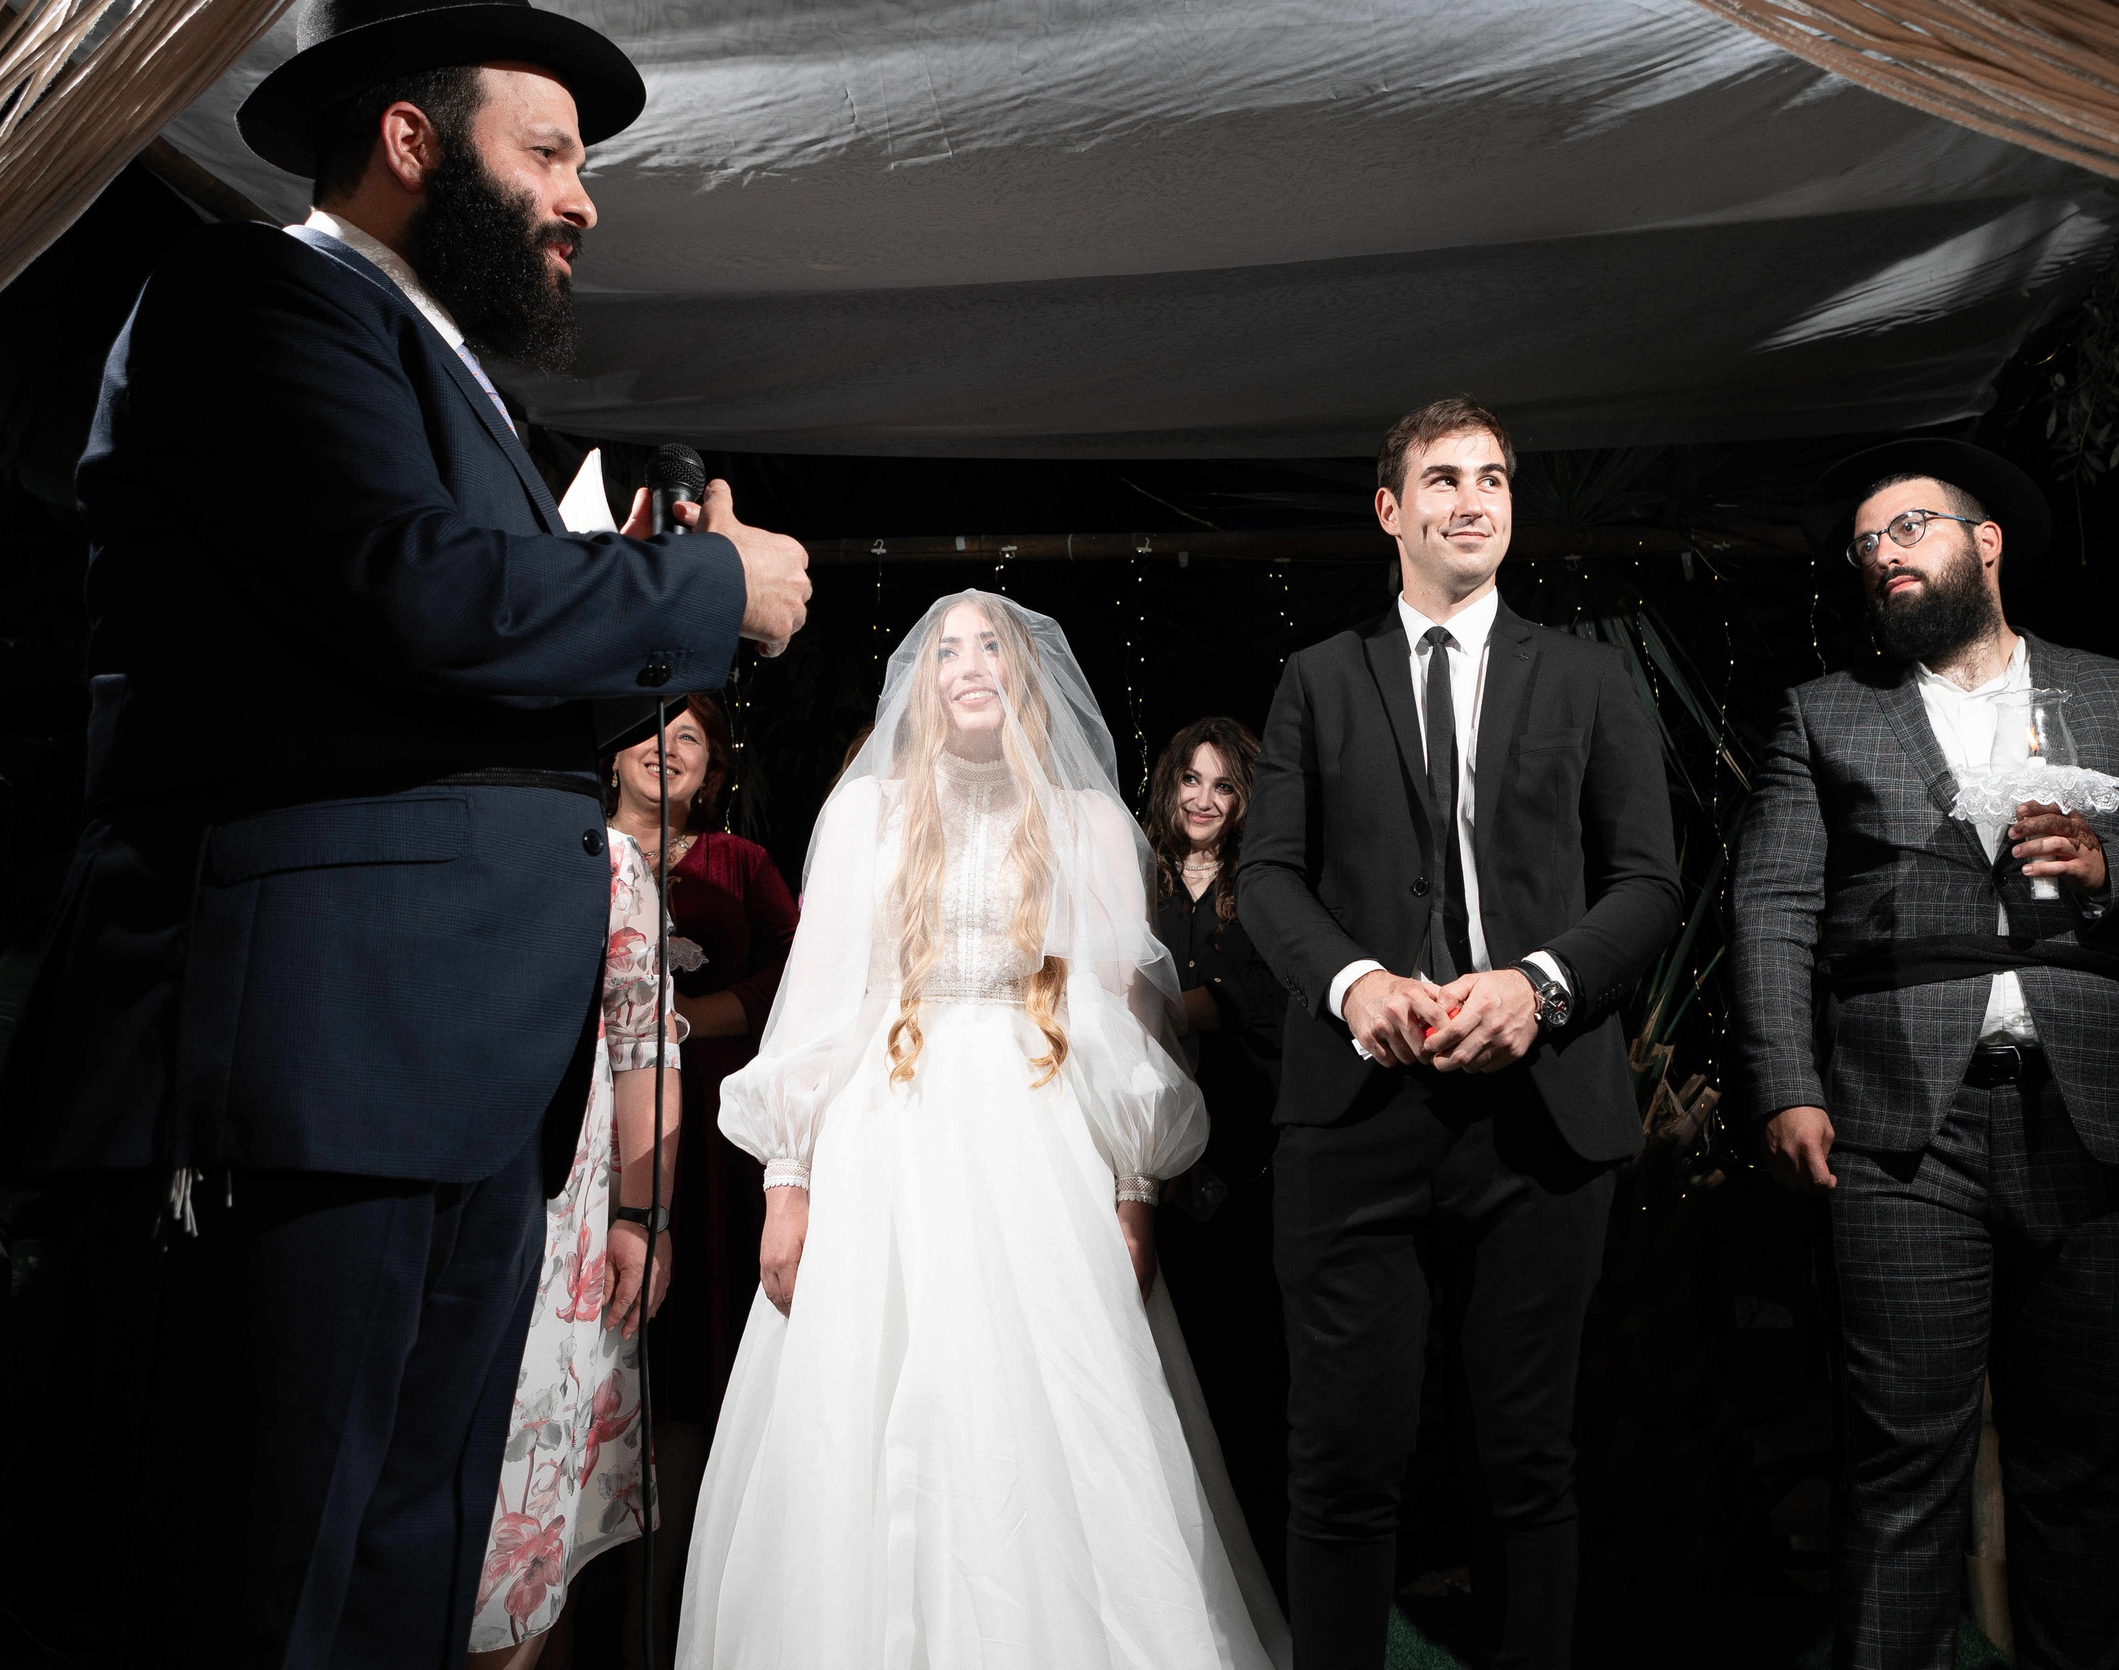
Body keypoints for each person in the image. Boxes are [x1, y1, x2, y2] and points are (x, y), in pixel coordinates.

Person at [0, 0, 810, 1661]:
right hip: (308, 1070)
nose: (584, 199)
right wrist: (705, 587)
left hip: (457, 1080)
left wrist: (634, 611)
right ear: (412, 140)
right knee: (256, 1584)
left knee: (398, 1584)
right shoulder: (253, 299)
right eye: (550, 153)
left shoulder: (450, 379)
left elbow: (446, 677)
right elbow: (417, 596)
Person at [1730, 438, 2119, 1670]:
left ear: (1983, 544)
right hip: (1901, 1132)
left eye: (1907, 527)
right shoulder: (1826, 714)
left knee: (2078, 1472)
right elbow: (1770, 909)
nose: (1881, 554)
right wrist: (1785, 1087)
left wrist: (2114, 864)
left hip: (2100, 1120)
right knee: (1899, 1467)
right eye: (1864, 545)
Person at [677, 592, 1290, 1669]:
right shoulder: (865, 816)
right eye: (946, 648)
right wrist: (786, 1175)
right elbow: (820, 1003)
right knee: (865, 1401)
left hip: (1036, 1138)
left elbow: (1117, 1018)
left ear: (1024, 675)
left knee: (1051, 1407)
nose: (967, 663)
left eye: (990, 645)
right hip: (885, 1134)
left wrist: (1135, 1188)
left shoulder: (1087, 824)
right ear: (921, 682)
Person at [1237, 397, 1681, 1670]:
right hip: (1356, 1116)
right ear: (1391, 510)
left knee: (1526, 1461)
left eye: (1491, 478)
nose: (1472, 499)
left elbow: (1647, 882)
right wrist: (1352, 983)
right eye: (1442, 478)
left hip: (1541, 1116)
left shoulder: (1589, 677)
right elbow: (1267, 875)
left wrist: (1539, 986)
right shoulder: (1319, 677)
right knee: (1340, 1465)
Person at [601, 694, 799, 1628]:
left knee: (686, 1369)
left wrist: (685, 1021)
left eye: (689, 737)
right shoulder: (577, 852)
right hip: (589, 1121)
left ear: (714, 770)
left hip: (710, 1142)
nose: (666, 747)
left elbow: (799, 975)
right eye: (651, 728)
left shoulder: (740, 863)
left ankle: (667, 1610)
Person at [468, 824, 682, 1664]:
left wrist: (643, 1214)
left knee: (529, 1502)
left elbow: (644, 1038)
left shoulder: (610, 860)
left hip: (565, 1229)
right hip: (446, 1199)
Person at [1145, 717, 1292, 1593]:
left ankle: (1263, 1571)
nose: (1203, 799)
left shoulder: (1265, 886)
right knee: (1171, 1370)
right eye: (1190, 779)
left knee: (1246, 1373)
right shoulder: (1140, 881)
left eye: (1224, 785)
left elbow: (1261, 1002)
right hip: (1154, 1161)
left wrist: (1157, 1001)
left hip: (1247, 1153)